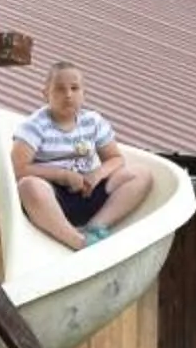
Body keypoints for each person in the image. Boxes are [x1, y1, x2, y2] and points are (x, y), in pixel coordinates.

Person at [11, 62, 147, 249]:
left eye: (74, 88)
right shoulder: (34, 126)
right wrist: (62, 175)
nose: (68, 95)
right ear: (45, 94)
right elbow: (18, 169)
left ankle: (96, 226)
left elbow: (116, 158)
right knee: (28, 185)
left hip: (88, 189)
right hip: (54, 199)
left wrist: (96, 175)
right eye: (59, 89)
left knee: (140, 174)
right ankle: (77, 241)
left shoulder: (93, 121)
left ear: (84, 93)